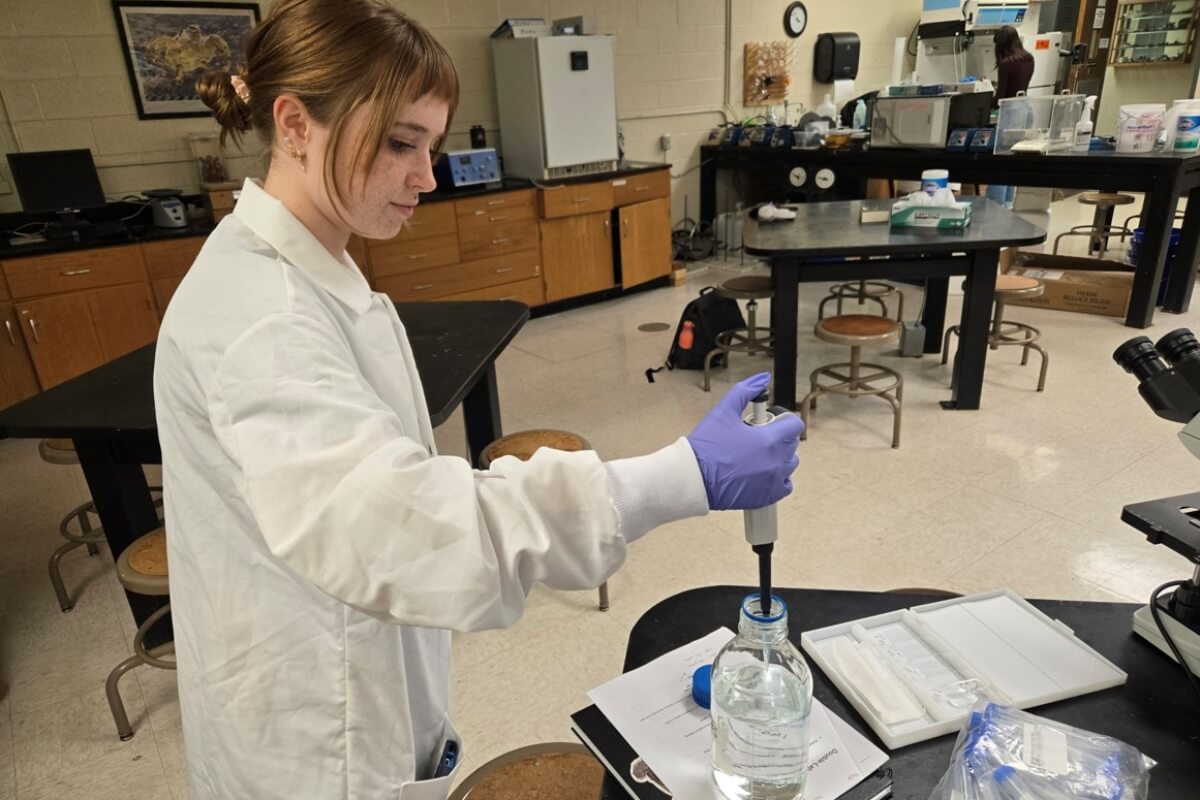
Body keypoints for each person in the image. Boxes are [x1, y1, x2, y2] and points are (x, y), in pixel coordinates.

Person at [153, 1, 804, 798]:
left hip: (351, 662)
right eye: (400, 143)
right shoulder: (263, 320)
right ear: (294, 123)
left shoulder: (311, 270)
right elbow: (416, 525)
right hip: (318, 736)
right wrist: (682, 475)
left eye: (431, 145)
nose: (426, 177)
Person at [987, 25, 1035, 208]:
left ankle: (994, 206)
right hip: (1026, 108)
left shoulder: (1007, 63)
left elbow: (1001, 96)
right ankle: (1007, 204)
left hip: (1011, 111)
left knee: (1000, 160)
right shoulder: (1029, 58)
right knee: (1012, 160)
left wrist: (985, 102)